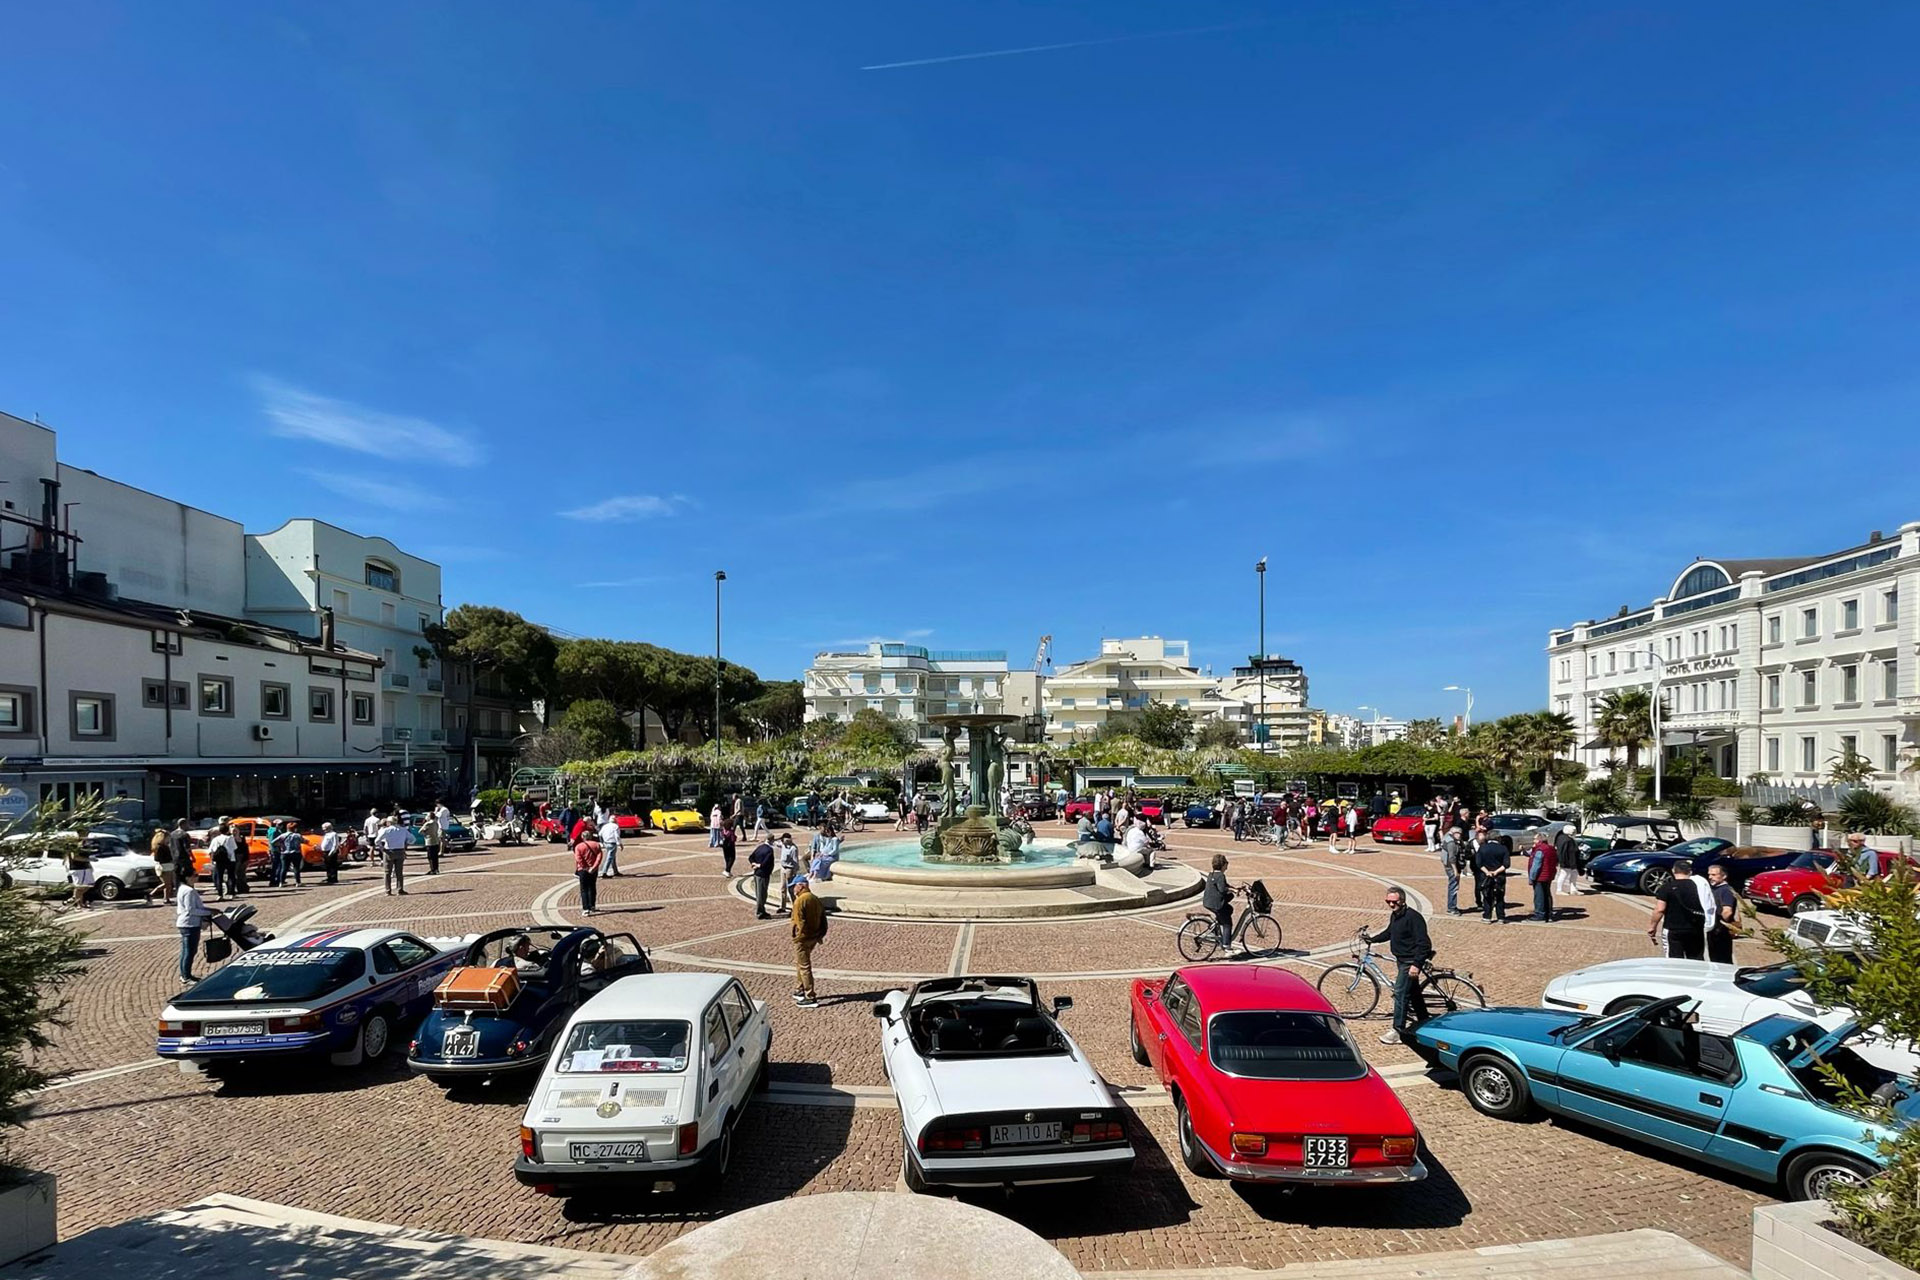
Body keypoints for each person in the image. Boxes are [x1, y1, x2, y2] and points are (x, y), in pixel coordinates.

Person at [1364, 887, 1433, 1045]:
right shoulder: (1395, 915)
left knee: (1400, 993)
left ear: (1402, 900)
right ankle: (1424, 1019)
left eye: (1394, 902)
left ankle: (1398, 1030)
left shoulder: (1413, 917)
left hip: (1410, 961)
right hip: (1401, 959)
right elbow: (1390, 932)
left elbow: (1424, 944)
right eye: (1388, 901)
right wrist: (1372, 939)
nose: (1391, 904)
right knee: (1414, 993)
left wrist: (1416, 964)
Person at [1648, 861, 1708, 959]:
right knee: (1696, 959)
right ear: (1690, 872)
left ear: (1673, 871)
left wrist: (1653, 926)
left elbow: (1660, 909)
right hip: (1695, 928)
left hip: (1673, 928)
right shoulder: (1698, 886)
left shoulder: (1667, 887)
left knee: (1674, 960)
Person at [790, 875, 826, 1007]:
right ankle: (800, 989)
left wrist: (798, 937)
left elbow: (800, 922)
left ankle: (810, 996)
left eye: (795, 886)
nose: (794, 889)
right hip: (813, 937)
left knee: (804, 966)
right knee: (801, 963)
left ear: (802, 886)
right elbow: (823, 918)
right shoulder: (814, 898)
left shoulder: (800, 901)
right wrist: (820, 934)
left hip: (803, 939)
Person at [175, 867, 213, 985]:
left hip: (186, 923)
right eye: (194, 875)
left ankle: (185, 974)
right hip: (189, 923)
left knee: (187, 950)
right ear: (187, 877)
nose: (197, 877)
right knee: (189, 951)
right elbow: (191, 910)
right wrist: (209, 912)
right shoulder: (189, 891)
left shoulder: (183, 889)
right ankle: (186, 976)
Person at [1705, 863, 1741, 964]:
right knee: (1714, 957)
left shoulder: (1726, 891)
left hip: (1721, 931)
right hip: (1713, 929)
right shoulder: (1713, 889)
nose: (1710, 877)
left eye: (1714, 875)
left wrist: (1720, 924)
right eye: (1709, 874)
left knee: (1722, 959)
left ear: (1724, 876)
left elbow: (1727, 911)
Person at [1476, 833, 1511, 923]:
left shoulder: (1482, 848)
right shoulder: (1503, 848)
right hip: (1499, 876)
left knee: (1487, 895)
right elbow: (1506, 864)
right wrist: (1496, 872)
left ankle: (1487, 916)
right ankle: (1501, 917)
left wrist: (1487, 872)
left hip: (1485, 875)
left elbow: (1479, 863)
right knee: (1500, 896)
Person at [1202, 854, 1234, 951]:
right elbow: (1222, 889)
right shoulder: (1221, 876)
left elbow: (1224, 885)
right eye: (1226, 863)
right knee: (1228, 923)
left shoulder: (1211, 874)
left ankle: (1215, 928)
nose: (1227, 866)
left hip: (1208, 902)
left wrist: (1233, 889)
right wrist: (1231, 891)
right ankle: (1226, 946)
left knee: (1229, 909)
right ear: (1223, 865)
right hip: (1217, 904)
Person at [1525, 833, 1558, 923]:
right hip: (1549, 875)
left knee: (1539, 896)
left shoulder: (1540, 850)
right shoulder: (1551, 849)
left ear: (1539, 840)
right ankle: (1549, 913)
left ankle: (1540, 915)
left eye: (1535, 839)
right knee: (1547, 894)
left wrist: (1532, 878)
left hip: (1540, 876)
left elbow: (1536, 865)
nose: (1533, 841)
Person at [573, 830, 603, 915]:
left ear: (583, 837)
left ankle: (586, 908)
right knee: (592, 887)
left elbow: (578, 858)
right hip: (593, 869)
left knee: (584, 889)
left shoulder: (579, 846)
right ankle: (592, 905)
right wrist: (594, 867)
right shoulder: (596, 845)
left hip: (582, 870)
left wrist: (585, 867)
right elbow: (599, 857)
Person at [378, 817, 411, 896]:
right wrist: (405, 845)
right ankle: (400, 889)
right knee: (399, 872)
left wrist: (382, 848)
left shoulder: (386, 830)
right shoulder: (403, 830)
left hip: (389, 851)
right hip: (400, 851)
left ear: (389, 822)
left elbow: (377, 840)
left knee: (387, 872)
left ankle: (388, 890)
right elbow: (412, 839)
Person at [207, 820, 238, 901]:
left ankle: (220, 894)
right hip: (230, 859)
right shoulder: (230, 838)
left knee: (219, 877)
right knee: (231, 876)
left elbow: (211, 850)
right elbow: (234, 848)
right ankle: (232, 893)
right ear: (227, 830)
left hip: (219, 860)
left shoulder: (215, 839)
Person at [1438, 825, 1464, 915]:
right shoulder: (1451, 843)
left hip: (1447, 864)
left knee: (1453, 886)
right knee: (1453, 887)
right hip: (1451, 866)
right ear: (1454, 833)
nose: (1460, 835)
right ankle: (1451, 908)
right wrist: (1456, 870)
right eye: (1458, 833)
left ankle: (1452, 906)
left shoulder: (1447, 837)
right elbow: (1452, 858)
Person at [749, 835, 776, 919]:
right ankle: (760, 912)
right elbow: (766, 862)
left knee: (759, 893)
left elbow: (750, 857)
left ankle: (762, 910)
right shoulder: (769, 850)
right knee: (762, 894)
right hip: (763, 874)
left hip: (757, 873)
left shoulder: (760, 847)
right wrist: (759, 865)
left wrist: (753, 863)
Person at [1551, 822, 1582, 896]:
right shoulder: (1568, 840)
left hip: (1568, 860)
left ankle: (1573, 889)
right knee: (1564, 874)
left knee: (1573, 874)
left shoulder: (1561, 838)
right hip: (1568, 861)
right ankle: (1559, 889)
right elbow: (1567, 852)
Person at [147, 824, 173, 906]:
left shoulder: (159, 846)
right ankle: (151, 894)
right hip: (165, 866)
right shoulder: (161, 847)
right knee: (167, 884)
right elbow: (160, 858)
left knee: (167, 884)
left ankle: (166, 898)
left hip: (164, 866)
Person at [65, 837, 94, 911]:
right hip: (77, 868)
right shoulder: (73, 846)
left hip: (85, 868)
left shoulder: (85, 846)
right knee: (79, 887)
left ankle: (76, 898)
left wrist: (89, 864)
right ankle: (79, 905)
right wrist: (89, 860)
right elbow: (74, 857)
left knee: (88, 885)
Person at [777, 833, 801, 912]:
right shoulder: (783, 845)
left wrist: (795, 871)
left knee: (791, 889)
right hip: (783, 868)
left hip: (789, 869)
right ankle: (782, 906)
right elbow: (775, 843)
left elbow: (795, 860)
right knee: (783, 888)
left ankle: (794, 906)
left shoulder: (793, 848)